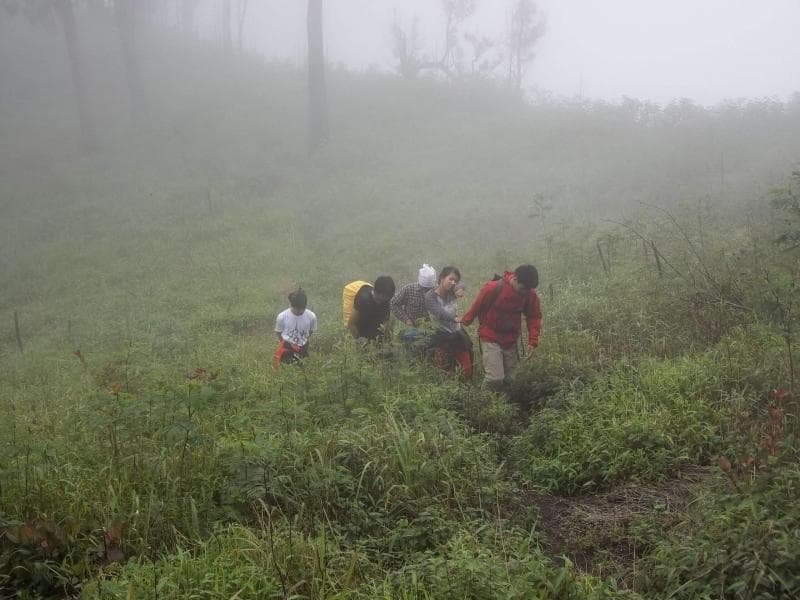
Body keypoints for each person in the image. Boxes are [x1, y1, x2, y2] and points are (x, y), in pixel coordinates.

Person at [461, 265, 541, 389]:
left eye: (528, 290)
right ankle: (483, 401)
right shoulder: (493, 288)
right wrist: (465, 320)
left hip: (511, 339)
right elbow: (476, 307)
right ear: (514, 279)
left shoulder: (529, 294)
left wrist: (533, 341)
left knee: (511, 378)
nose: (525, 292)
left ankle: (505, 404)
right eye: (523, 288)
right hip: (490, 336)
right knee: (495, 378)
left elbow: (534, 316)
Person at [425, 266, 473, 379]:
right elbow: (439, 312)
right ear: (441, 278)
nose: (453, 282)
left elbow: (463, 285)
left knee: (467, 369)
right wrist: (454, 318)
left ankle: (465, 389)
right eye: (450, 279)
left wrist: (458, 288)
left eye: (455, 281)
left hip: (457, 334)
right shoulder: (430, 296)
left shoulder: (452, 291)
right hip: (440, 336)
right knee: (442, 369)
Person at [273, 289, 317, 368]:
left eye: (302, 309)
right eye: (297, 309)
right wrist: (288, 344)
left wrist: (303, 340)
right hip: (287, 347)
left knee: (304, 368)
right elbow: (279, 333)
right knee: (288, 368)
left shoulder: (311, 316)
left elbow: (310, 331)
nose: (299, 311)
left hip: (303, 347)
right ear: (292, 305)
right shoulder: (282, 317)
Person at [347, 276, 396, 341]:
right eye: (378, 299)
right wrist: (358, 339)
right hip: (362, 320)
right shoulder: (363, 299)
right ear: (375, 291)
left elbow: (386, 320)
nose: (380, 302)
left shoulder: (386, 299)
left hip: (373, 315)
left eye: (384, 299)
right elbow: (351, 324)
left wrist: (387, 335)